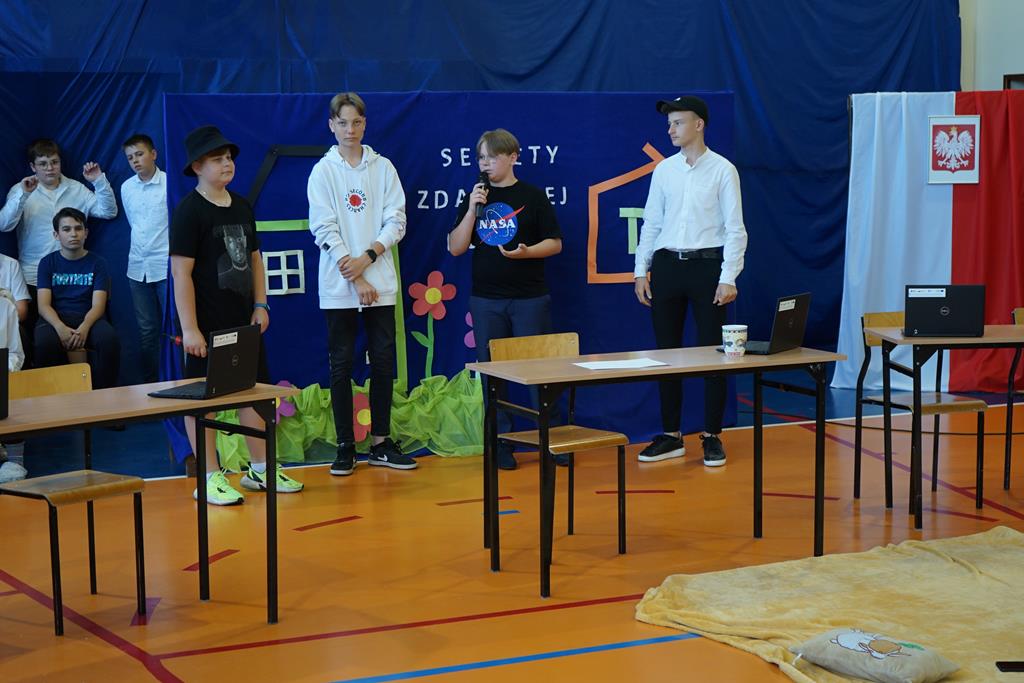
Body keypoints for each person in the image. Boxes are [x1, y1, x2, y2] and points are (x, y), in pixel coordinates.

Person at [170, 125, 303, 505]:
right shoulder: (189, 211)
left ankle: (260, 469)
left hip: (244, 322)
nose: (227, 163)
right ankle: (209, 476)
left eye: (229, 157)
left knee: (254, 393)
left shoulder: (242, 205)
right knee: (202, 400)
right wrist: (190, 329)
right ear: (197, 166)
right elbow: (181, 273)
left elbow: (256, 260)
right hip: (206, 326)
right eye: (217, 159)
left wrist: (261, 304)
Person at [633, 95, 747, 467]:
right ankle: (671, 435)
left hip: (707, 268)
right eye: (669, 124)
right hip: (667, 267)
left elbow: (735, 229)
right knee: (666, 356)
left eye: (678, 122)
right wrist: (641, 270)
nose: (671, 130)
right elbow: (651, 223)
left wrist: (728, 276)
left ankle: (712, 435)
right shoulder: (664, 170)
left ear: (699, 125)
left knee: (714, 354)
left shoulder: (723, 169)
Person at [307, 92, 414, 477]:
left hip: (379, 284)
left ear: (365, 124)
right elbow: (322, 227)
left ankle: (380, 443)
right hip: (339, 287)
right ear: (331, 125)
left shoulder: (383, 168)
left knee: (383, 362)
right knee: (341, 365)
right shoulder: (323, 171)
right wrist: (353, 273)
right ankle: (345, 446)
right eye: (342, 123)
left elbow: (396, 221)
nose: (349, 130)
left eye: (356, 122)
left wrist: (367, 260)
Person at [449, 128, 563, 470]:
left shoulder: (533, 196)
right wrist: (472, 210)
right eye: (481, 158)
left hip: (529, 298)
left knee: (539, 370)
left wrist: (527, 252)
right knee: (493, 373)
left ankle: (552, 438)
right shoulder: (475, 198)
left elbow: (555, 243)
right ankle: (500, 441)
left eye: (492, 157)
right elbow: (455, 247)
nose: (485, 164)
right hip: (486, 301)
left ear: (513, 157)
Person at [0, 139, 117, 365]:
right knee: (40, 344)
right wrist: (23, 195)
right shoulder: (21, 189)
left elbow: (108, 211)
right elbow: (4, 225)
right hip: (34, 277)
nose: (50, 168)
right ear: (33, 166)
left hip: (74, 278)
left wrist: (98, 181)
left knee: (87, 339)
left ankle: (85, 385)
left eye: (54, 162)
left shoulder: (76, 189)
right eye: (43, 164)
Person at [34, 208, 120, 389]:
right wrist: (60, 327)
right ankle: (50, 396)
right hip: (55, 318)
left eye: (78, 228)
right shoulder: (47, 263)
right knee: (44, 343)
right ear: (56, 235)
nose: (73, 234)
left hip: (89, 318)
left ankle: (102, 394)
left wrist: (84, 328)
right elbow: (43, 305)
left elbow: (98, 306)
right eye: (66, 229)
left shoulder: (98, 263)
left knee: (108, 340)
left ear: (86, 233)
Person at [120, 133, 169, 383]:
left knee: (175, 327)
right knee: (147, 331)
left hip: (166, 266)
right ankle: (152, 383)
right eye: (130, 158)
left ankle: (179, 379)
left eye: (139, 154)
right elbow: (134, 224)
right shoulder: (126, 187)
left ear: (153, 154)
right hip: (137, 267)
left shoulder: (169, 184)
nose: (135, 161)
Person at [0, 284, 26, 483]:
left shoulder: (5, 306)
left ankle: (15, 461)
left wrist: (5, 368)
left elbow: (16, 353)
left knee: (11, 385)